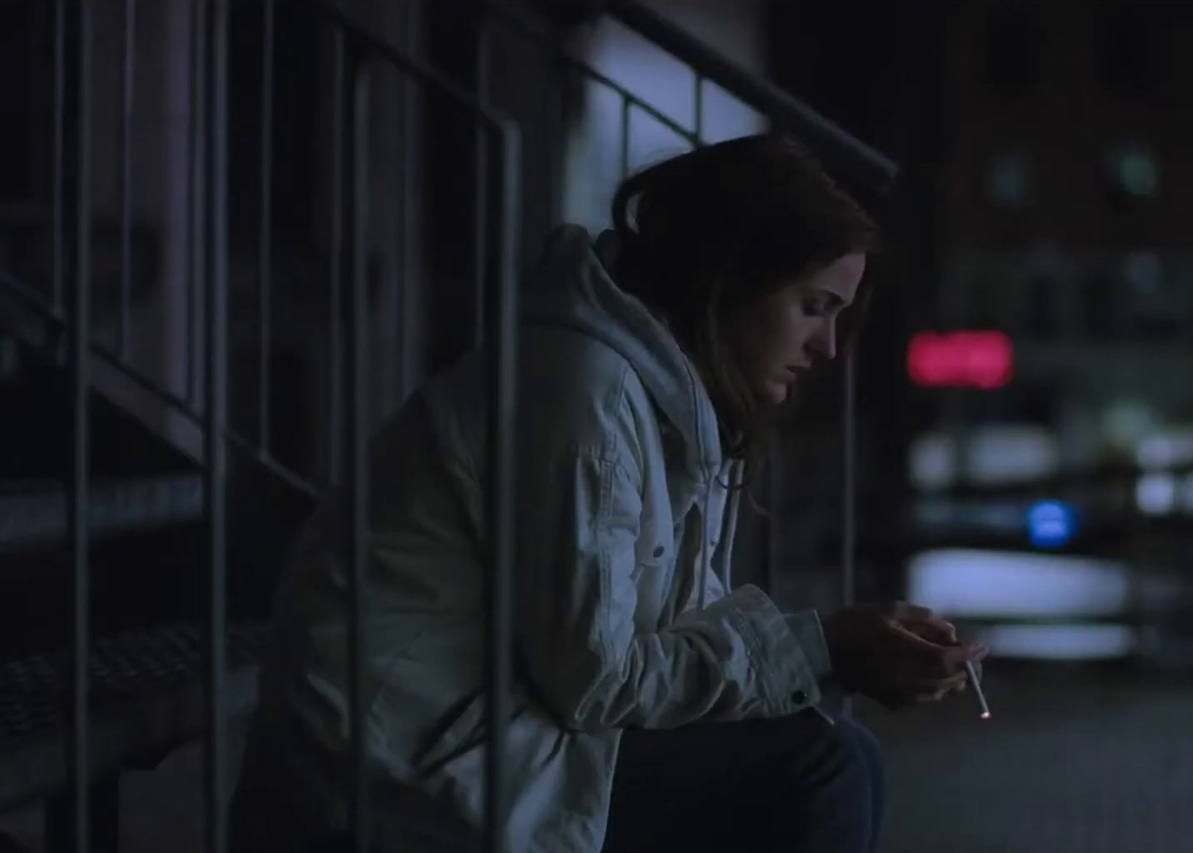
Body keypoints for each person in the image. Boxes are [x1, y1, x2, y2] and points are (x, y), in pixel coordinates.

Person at [230, 134, 988, 853]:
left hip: (486, 734)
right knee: (819, 769)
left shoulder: (658, 399)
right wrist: (822, 644)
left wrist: (829, 654)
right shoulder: (585, 389)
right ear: (731, 277)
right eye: (814, 306)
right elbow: (596, 679)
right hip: (392, 770)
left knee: (833, 750)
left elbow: (651, 645)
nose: (826, 347)